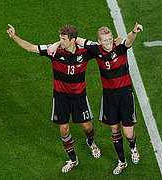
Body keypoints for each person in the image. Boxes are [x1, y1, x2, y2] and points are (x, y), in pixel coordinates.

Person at [48, 23, 143, 175]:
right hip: (109, 96)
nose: (109, 42)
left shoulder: (120, 48)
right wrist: (56, 44)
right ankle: (121, 162)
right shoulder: (95, 49)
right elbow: (75, 39)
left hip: (125, 95)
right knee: (114, 129)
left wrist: (134, 32)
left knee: (128, 133)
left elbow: (128, 41)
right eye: (105, 40)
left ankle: (133, 148)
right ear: (99, 42)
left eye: (110, 39)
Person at [6, 24, 101, 173]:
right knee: (64, 129)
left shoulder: (86, 51)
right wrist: (14, 37)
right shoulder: (54, 51)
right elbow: (31, 47)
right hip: (61, 98)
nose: (60, 41)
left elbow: (102, 46)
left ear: (73, 40)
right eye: (60, 38)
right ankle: (73, 159)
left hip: (79, 97)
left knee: (87, 127)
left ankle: (91, 142)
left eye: (63, 39)